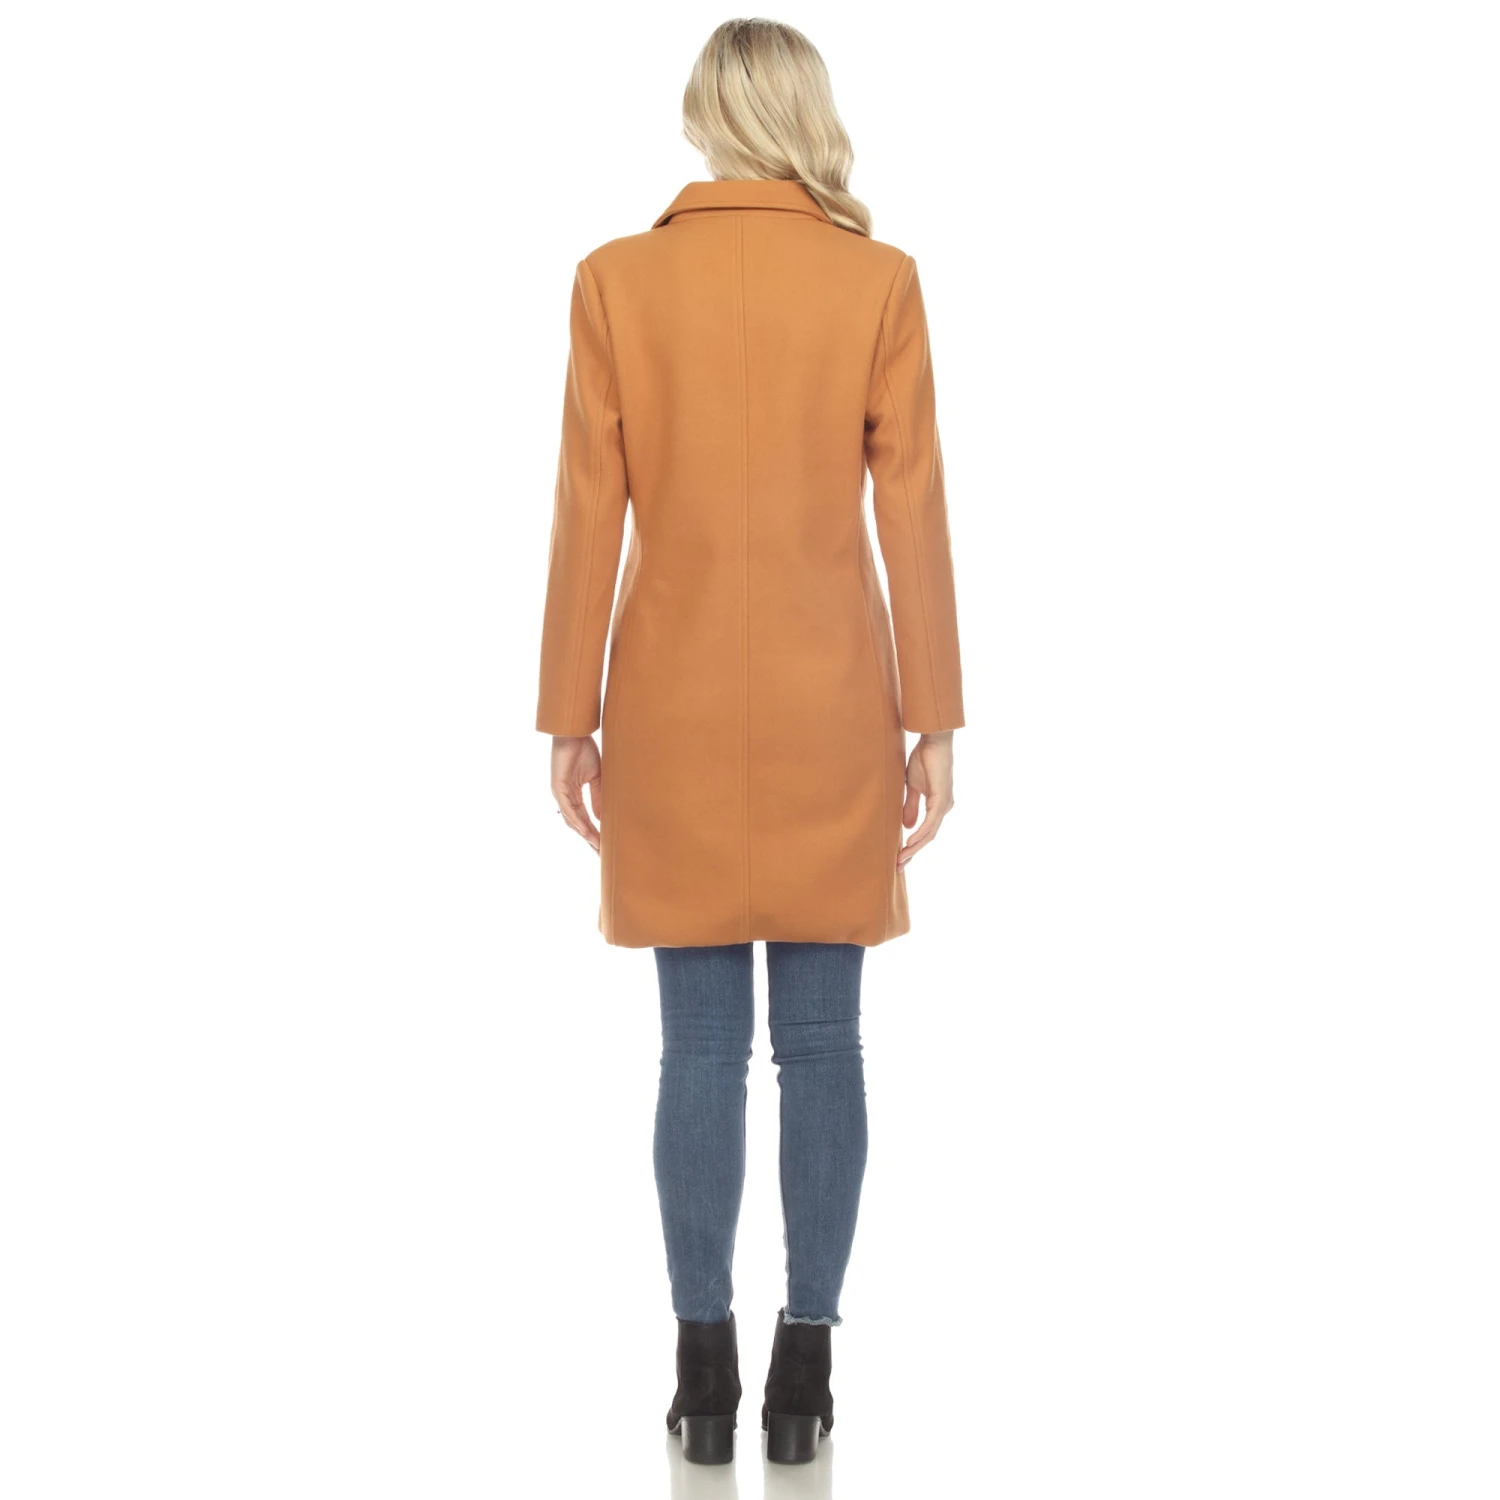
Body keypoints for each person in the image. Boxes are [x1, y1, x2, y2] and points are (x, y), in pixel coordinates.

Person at [535, 17, 964, 1466]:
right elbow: (913, 513)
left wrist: (569, 713)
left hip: (664, 704)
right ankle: (806, 1376)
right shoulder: (876, 281)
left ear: (703, 116)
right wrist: (934, 716)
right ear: (807, 115)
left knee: (698, 1050)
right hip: (834, 701)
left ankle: (701, 1375)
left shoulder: (615, 279)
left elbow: (588, 509)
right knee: (827, 1044)